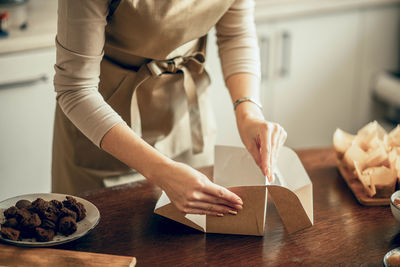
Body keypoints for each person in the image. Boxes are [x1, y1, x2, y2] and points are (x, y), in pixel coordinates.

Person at [52, 0, 287, 217]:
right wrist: (162, 171)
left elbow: (236, 35)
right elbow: (75, 89)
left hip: (185, 122)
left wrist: (248, 114)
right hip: (105, 132)